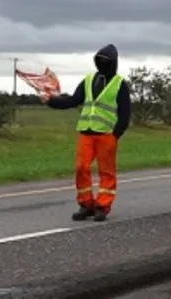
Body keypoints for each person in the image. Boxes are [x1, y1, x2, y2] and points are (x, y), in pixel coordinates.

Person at [42, 44, 132, 222]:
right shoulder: (89, 80)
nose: (101, 63)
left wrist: (116, 134)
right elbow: (73, 100)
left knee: (107, 172)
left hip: (107, 134)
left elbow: (125, 113)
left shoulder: (119, 84)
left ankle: (102, 206)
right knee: (81, 167)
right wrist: (51, 101)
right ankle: (86, 204)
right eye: (99, 60)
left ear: (113, 63)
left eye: (105, 61)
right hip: (86, 133)